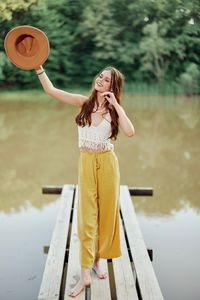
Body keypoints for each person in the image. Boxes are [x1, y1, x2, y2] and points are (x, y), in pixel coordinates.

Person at [35, 65, 135, 297]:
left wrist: (117, 105)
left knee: (106, 215)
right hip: (86, 163)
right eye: (100, 75)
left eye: (106, 79)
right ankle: (84, 275)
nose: (100, 79)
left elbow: (130, 132)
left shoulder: (114, 112)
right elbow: (51, 90)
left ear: (113, 86)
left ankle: (97, 260)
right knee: (86, 218)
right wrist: (39, 68)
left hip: (108, 165)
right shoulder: (84, 103)